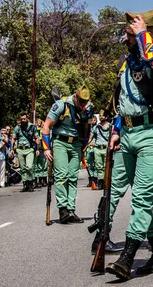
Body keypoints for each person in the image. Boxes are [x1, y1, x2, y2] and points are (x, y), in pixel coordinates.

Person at [102, 10, 153, 280]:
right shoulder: (128, 62)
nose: (127, 37)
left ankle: (128, 255)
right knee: (151, 199)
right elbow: (121, 101)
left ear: (146, 31)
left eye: (131, 32)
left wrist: (143, 34)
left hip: (152, 135)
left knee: (142, 197)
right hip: (128, 134)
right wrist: (116, 130)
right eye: (128, 32)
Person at [42, 86, 94, 223]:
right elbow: (46, 126)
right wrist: (46, 148)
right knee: (62, 175)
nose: (83, 104)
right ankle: (63, 209)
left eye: (85, 102)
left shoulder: (88, 108)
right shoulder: (61, 105)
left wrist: (83, 149)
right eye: (81, 101)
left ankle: (71, 210)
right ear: (75, 97)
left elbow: (87, 130)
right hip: (61, 142)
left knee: (72, 176)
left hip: (76, 144)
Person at [11, 112, 39, 192]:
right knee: (22, 168)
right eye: (21, 119)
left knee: (29, 166)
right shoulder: (18, 128)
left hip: (29, 149)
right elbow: (13, 138)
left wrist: (37, 149)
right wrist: (12, 149)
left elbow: (36, 138)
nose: (23, 120)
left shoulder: (32, 127)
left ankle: (30, 183)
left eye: (24, 119)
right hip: (20, 149)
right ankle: (25, 184)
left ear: (27, 119)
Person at [89, 111, 110, 190]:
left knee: (106, 166)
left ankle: (107, 181)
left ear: (106, 117)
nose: (101, 117)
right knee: (99, 166)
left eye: (103, 116)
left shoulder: (110, 126)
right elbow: (91, 136)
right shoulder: (96, 127)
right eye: (100, 116)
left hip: (106, 148)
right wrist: (89, 143)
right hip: (97, 148)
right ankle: (100, 182)